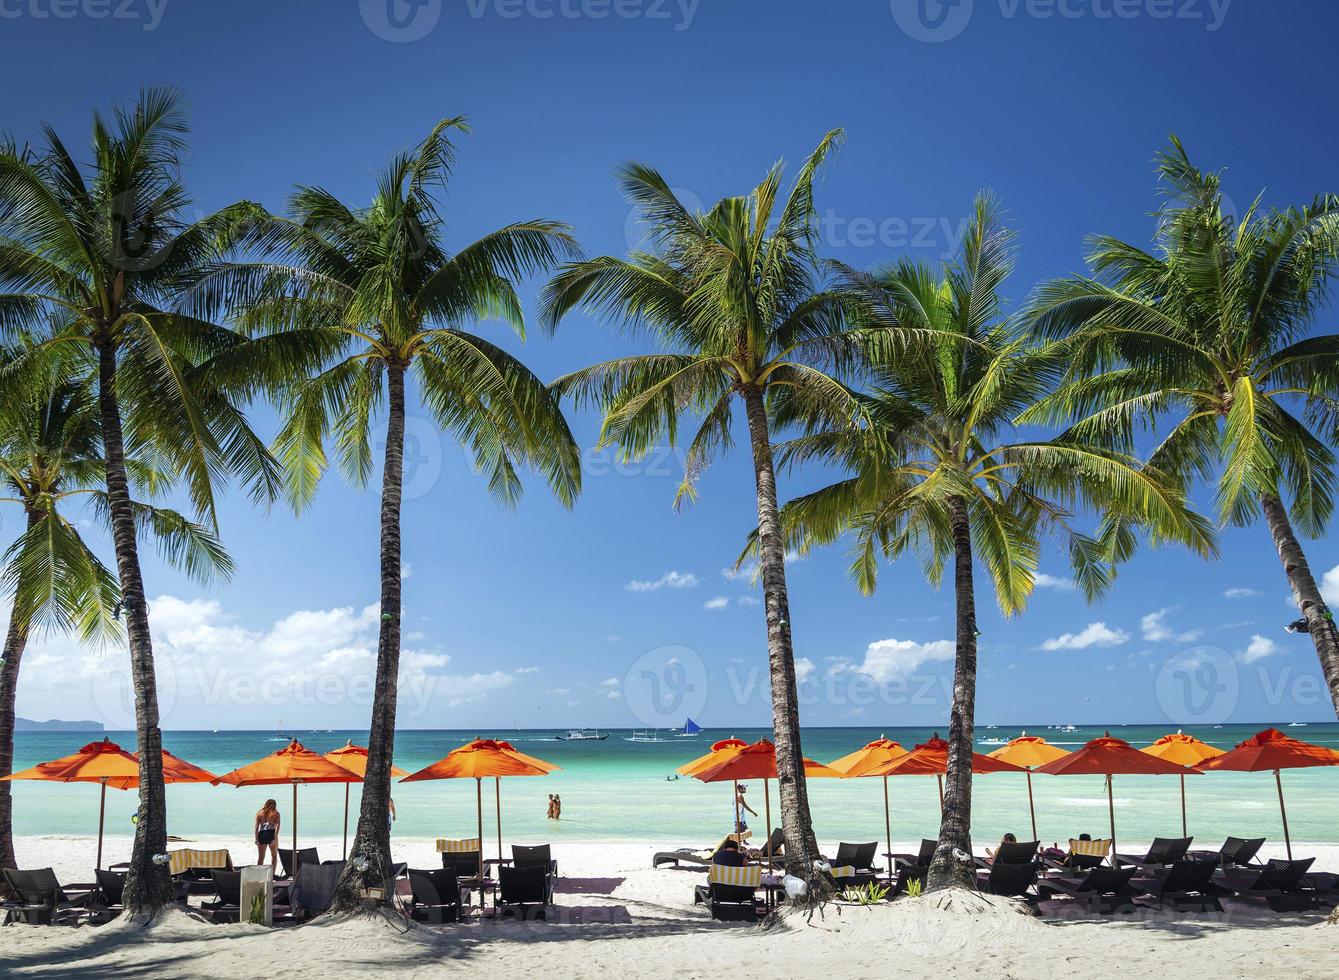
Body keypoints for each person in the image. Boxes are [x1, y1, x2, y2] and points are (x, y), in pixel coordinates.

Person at [255, 798, 280, 871]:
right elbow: (278, 825)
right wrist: (275, 837)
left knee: (261, 858)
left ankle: (259, 875)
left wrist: (256, 839)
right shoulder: (276, 813)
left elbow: (256, 826)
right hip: (271, 833)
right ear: (275, 805)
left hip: (262, 834)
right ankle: (272, 875)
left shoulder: (259, 813)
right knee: (274, 856)